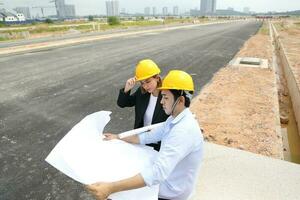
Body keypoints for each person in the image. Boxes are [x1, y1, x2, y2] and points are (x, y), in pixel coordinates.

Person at [88, 70, 204, 200]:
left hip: (171, 193)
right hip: (168, 181)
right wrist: (118, 137)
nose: (161, 101)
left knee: (117, 191)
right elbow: (147, 137)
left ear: (181, 100)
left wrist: (111, 188)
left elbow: (157, 173)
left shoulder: (183, 130)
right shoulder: (174, 120)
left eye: (165, 97)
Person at [117, 59, 169, 151]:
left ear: (157, 78)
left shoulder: (167, 96)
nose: (145, 86)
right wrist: (127, 89)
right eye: (142, 83)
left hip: (160, 145)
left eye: (148, 81)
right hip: (141, 142)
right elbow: (122, 103)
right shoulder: (142, 93)